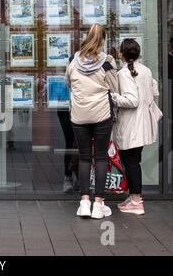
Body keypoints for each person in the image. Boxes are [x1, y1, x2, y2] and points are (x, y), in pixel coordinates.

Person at [65, 23, 119, 219]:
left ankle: (84, 202)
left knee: (84, 157)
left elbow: (68, 82)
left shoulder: (73, 59)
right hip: (102, 115)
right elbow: (115, 88)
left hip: (79, 115)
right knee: (101, 157)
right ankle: (99, 204)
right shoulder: (108, 61)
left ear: (87, 37)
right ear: (102, 39)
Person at [113, 39, 160, 216]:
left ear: (122, 54)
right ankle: (134, 197)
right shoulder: (146, 70)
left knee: (131, 163)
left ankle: (136, 201)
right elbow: (155, 91)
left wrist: (114, 97)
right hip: (143, 124)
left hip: (131, 124)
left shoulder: (124, 73)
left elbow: (132, 100)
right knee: (134, 161)